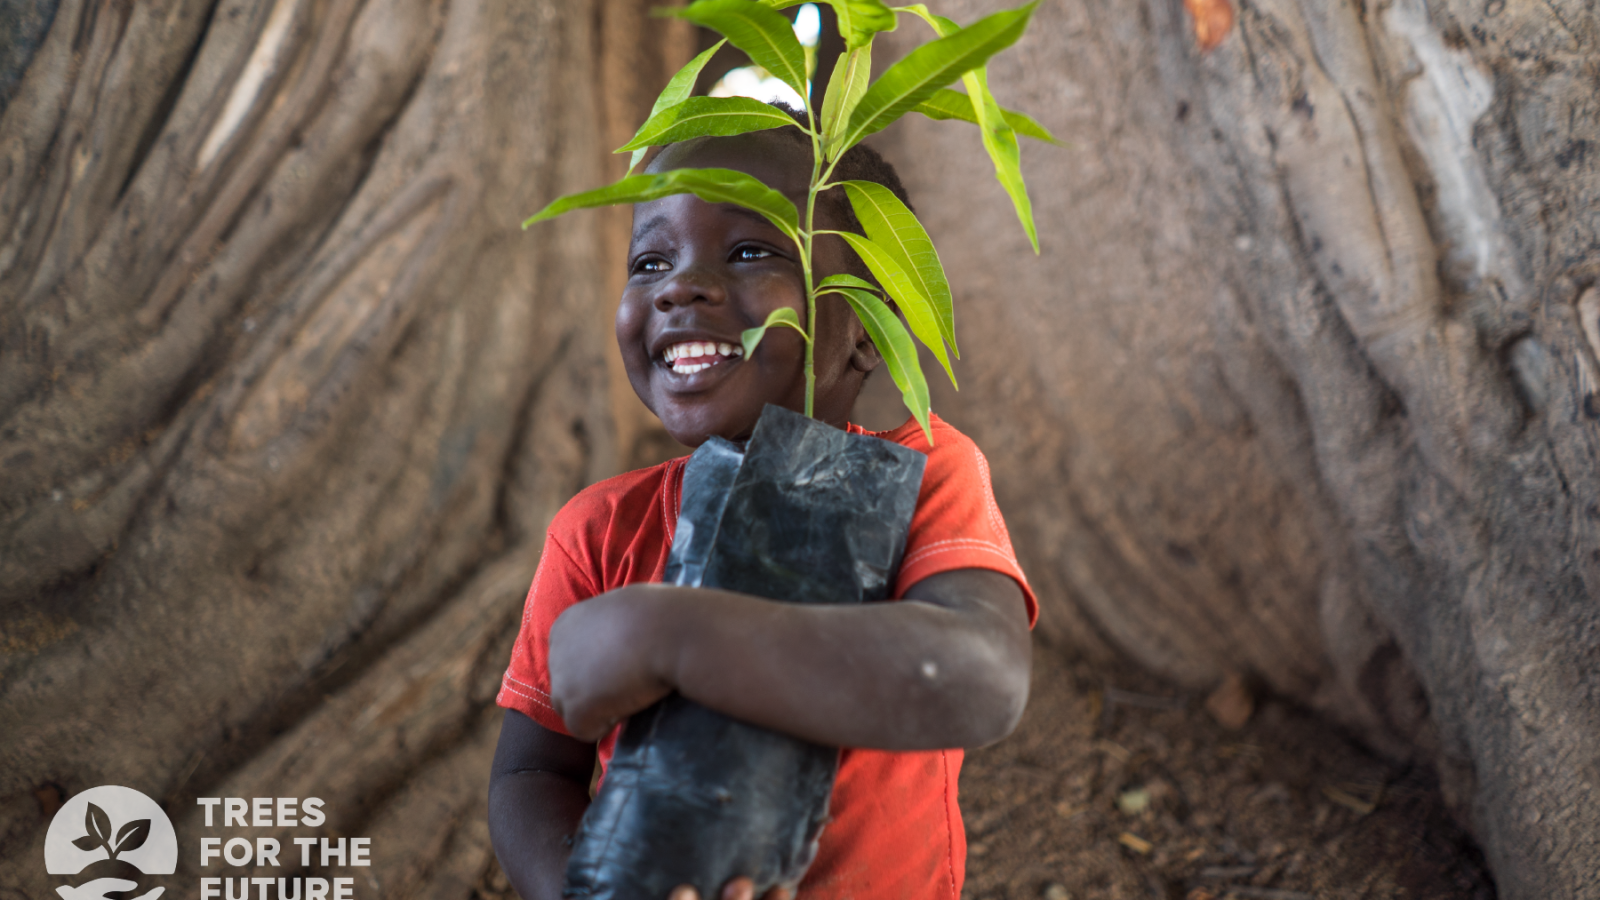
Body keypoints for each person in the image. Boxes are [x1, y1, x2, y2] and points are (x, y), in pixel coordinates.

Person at [488, 117, 1038, 900]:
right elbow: (532, 769)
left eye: (752, 251)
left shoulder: (923, 474)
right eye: (651, 260)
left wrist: (671, 637)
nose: (679, 285)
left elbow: (980, 678)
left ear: (867, 322)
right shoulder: (599, 530)